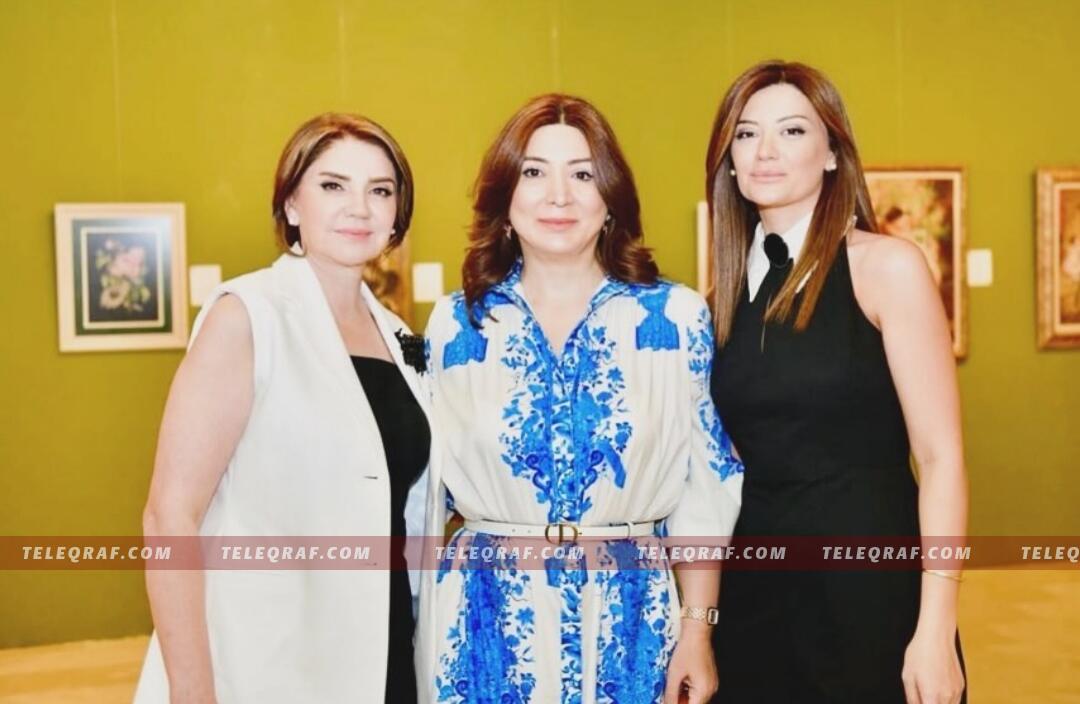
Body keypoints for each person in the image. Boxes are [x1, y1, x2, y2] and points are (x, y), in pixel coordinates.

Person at [414, 93, 744, 704]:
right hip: (486, 622)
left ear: (611, 198)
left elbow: (707, 483)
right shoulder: (457, 324)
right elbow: (423, 488)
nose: (558, 196)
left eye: (583, 174)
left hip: (633, 621)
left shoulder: (673, 318)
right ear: (505, 198)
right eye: (534, 172)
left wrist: (698, 630)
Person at [135, 113, 430, 703]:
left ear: (397, 213)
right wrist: (192, 691)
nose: (359, 207)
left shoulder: (398, 336)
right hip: (267, 661)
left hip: (387, 650)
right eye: (333, 185)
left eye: (380, 190)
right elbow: (169, 516)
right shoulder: (247, 316)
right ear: (292, 204)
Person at [704, 61, 968, 703]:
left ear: (831, 154)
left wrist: (936, 627)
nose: (765, 151)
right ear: (728, 161)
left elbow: (941, 459)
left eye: (792, 131)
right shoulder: (717, 301)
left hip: (869, 590)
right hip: (755, 595)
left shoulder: (887, 269)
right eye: (746, 134)